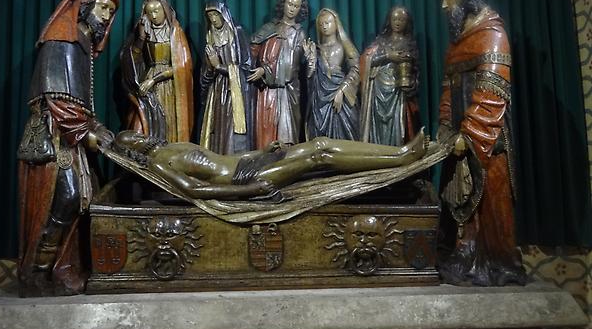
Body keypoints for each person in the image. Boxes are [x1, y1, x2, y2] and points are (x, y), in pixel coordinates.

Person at [16, 0, 119, 296]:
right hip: (54, 136)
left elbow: (80, 103)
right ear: (84, 7)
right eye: (102, 7)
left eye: (111, 11)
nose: (106, 16)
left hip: (70, 136)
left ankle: (64, 270)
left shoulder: (81, 42)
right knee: (68, 198)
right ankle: (37, 273)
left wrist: (98, 127)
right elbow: (56, 97)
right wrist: (87, 132)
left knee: (88, 196)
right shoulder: (61, 39)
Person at [436, 0, 526, 286]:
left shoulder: (492, 34)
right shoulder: (457, 41)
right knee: (457, 197)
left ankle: (495, 262)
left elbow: (492, 91)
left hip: (488, 138)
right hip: (459, 138)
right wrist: (446, 126)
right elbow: (449, 88)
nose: (443, 6)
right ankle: (463, 253)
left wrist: (469, 134)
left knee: (490, 199)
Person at [113, 128, 428, 201]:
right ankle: (401, 159)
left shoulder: (171, 146)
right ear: (132, 153)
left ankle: (399, 152)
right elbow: (194, 189)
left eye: (138, 134)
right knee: (319, 157)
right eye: (134, 141)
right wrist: (251, 190)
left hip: (249, 163)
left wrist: (261, 150)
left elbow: (225, 158)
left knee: (319, 143)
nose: (142, 137)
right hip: (245, 179)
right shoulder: (158, 164)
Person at [121, 0, 194, 143]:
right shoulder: (144, 31)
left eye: (156, 11)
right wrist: (141, 38)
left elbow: (181, 67)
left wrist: (153, 80)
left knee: (168, 122)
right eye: (149, 12)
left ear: (164, 10)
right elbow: (133, 59)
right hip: (147, 79)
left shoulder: (175, 32)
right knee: (143, 123)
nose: (154, 16)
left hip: (169, 84)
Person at [248, 0, 316, 148]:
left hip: (290, 89)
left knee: (288, 132)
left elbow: (298, 67)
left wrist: (311, 59)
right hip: (268, 88)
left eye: (296, 6)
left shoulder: (299, 33)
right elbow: (251, 52)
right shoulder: (269, 28)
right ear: (283, 5)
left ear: (300, 10)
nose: (292, 8)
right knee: (267, 129)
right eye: (290, 4)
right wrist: (260, 69)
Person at [199, 0, 255, 154]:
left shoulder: (237, 33)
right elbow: (205, 74)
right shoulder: (210, 38)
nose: (213, 19)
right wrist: (211, 67)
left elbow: (246, 67)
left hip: (234, 92)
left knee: (231, 129)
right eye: (210, 16)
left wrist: (219, 66)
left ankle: (232, 159)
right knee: (216, 128)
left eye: (216, 15)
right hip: (216, 91)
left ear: (223, 15)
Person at [360, 6, 421, 146]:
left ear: (407, 22)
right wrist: (387, 55)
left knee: (400, 125)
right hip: (378, 90)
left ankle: (398, 151)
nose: (398, 22)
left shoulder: (409, 44)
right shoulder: (380, 42)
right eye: (395, 19)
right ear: (389, 20)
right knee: (378, 128)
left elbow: (415, 72)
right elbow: (366, 60)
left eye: (402, 19)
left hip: (398, 93)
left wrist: (411, 84)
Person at [306, 8, 360, 141]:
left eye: (327, 23)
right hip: (320, 97)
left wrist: (342, 91)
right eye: (321, 24)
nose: (324, 26)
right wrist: (311, 61)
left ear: (336, 24)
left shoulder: (344, 46)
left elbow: (356, 69)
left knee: (346, 131)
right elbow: (310, 76)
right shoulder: (317, 49)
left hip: (340, 92)